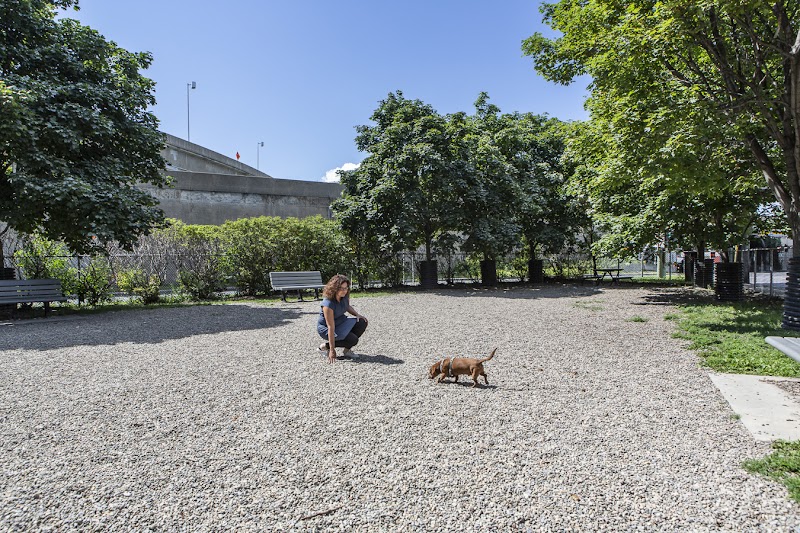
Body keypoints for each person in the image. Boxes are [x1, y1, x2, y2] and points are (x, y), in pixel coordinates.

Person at [316, 274, 368, 363]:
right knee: (353, 339)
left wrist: (357, 314)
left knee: (362, 322)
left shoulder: (344, 296)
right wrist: (332, 350)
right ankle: (324, 347)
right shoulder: (328, 304)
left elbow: (346, 306)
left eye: (346, 288)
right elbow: (330, 327)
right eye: (341, 288)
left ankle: (346, 351)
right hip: (326, 328)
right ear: (334, 288)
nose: (344, 291)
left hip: (341, 322)